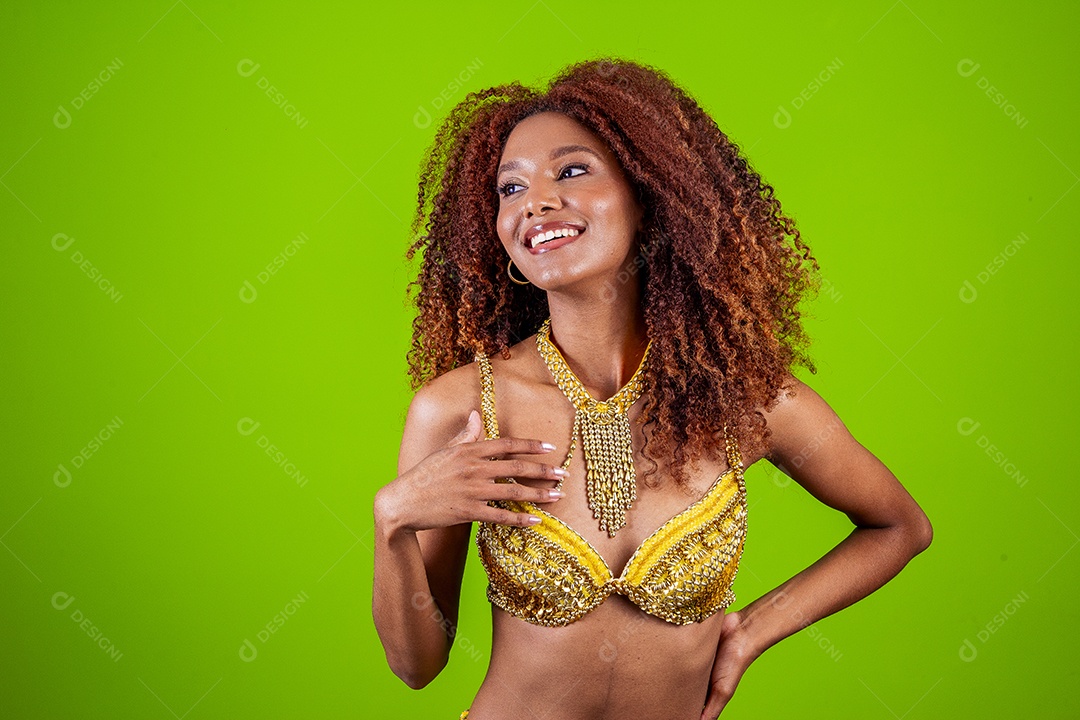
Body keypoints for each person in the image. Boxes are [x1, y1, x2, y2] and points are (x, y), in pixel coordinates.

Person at [372, 57, 932, 720]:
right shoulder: (460, 409)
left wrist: (750, 632)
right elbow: (417, 667)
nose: (536, 202)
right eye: (510, 189)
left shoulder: (743, 401)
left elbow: (899, 526)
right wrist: (396, 519)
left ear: (647, 193)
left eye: (572, 170)